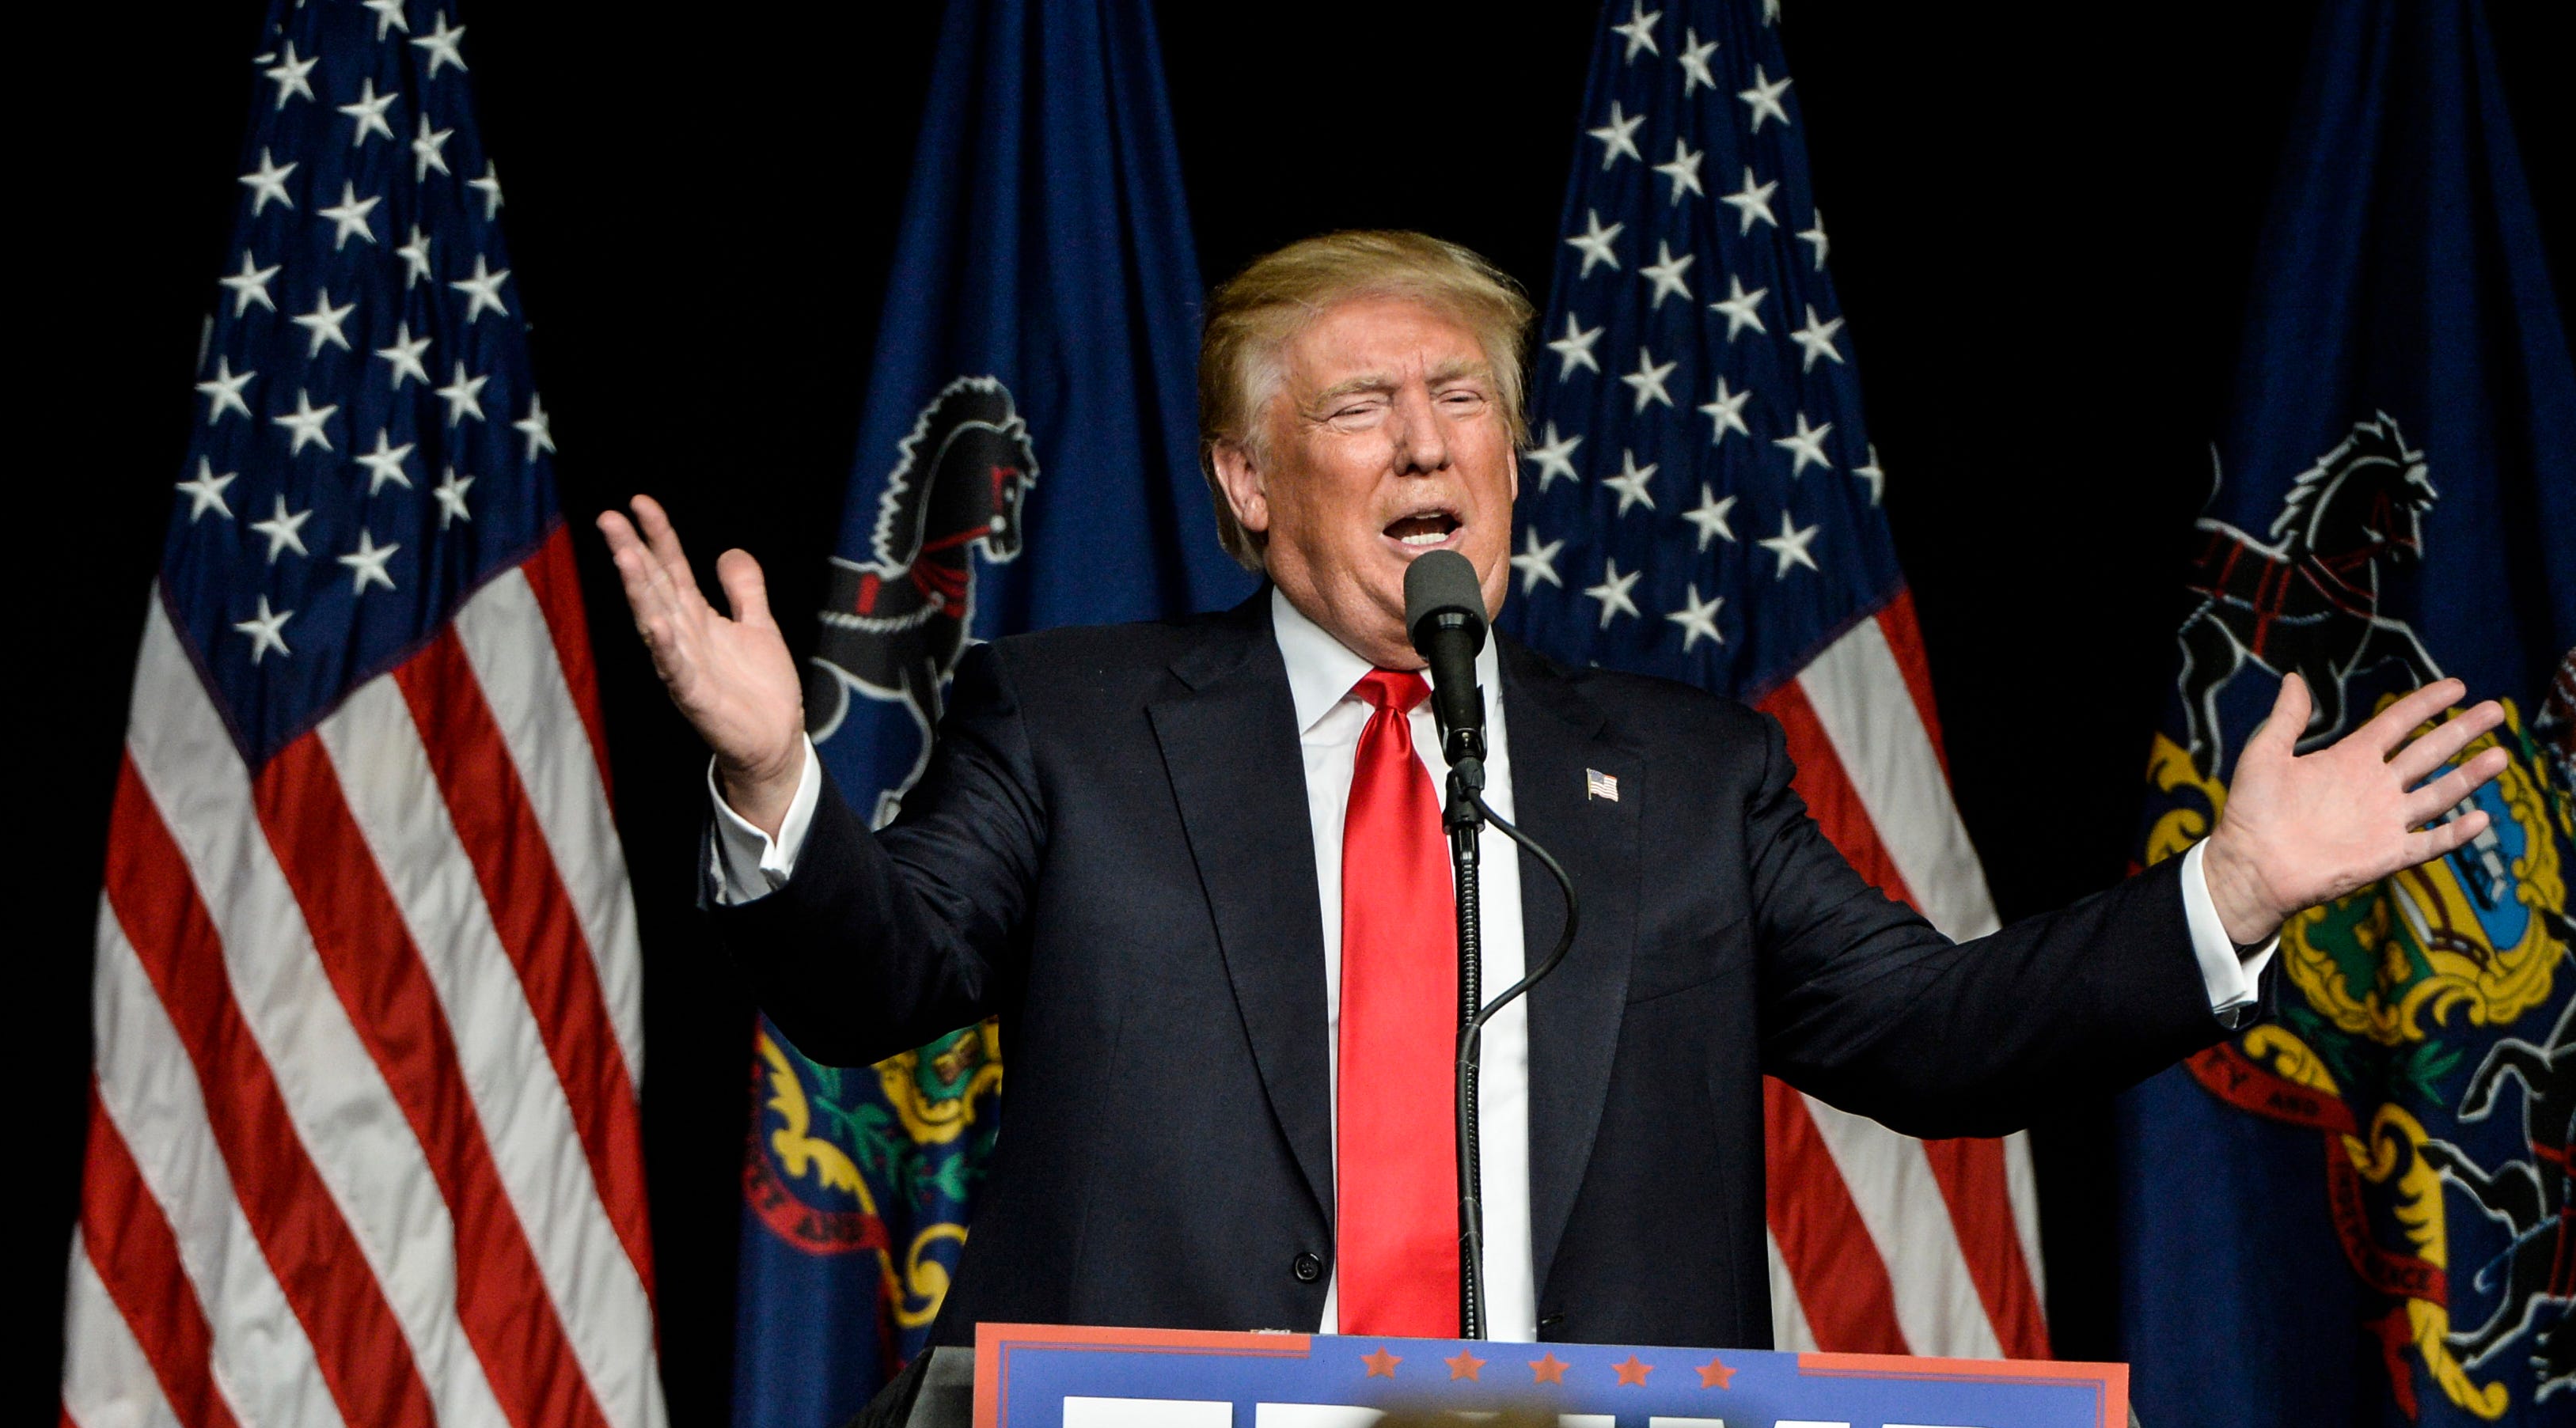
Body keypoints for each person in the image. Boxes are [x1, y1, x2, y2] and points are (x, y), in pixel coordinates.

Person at [600, 229, 2507, 1352]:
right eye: (1358, 410)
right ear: (1249, 486)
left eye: (1465, 403)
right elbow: (882, 979)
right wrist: (776, 772)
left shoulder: (1683, 777)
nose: (1427, 441)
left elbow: (1936, 1036)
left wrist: (2230, 889)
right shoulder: (1074, 727)